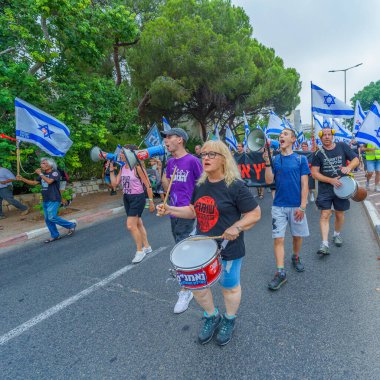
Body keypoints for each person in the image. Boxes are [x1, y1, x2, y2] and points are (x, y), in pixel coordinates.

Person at [157, 140, 261, 345]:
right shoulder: (201, 185)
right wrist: (171, 209)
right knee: (198, 286)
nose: (206, 158)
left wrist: (237, 227)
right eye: (203, 154)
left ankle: (229, 319)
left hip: (229, 248)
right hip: (202, 246)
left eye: (212, 154)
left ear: (224, 159)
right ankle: (211, 316)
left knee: (228, 287)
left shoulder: (236, 186)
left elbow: (255, 213)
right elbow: (194, 210)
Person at [156, 127, 203, 314]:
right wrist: (161, 169)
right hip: (174, 212)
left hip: (189, 213)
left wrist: (201, 210)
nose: (166, 140)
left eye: (169, 137)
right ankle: (192, 279)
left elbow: (203, 185)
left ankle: (186, 290)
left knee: (182, 250)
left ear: (180, 140)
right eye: (165, 138)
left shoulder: (193, 161)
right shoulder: (170, 162)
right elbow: (168, 187)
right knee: (181, 246)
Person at [263, 128, 310, 290]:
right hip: (279, 207)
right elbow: (269, 180)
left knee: (297, 236)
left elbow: (305, 185)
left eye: (285, 134)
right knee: (279, 238)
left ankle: (295, 257)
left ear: (293, 139)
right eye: (280, 135)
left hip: (297, 206)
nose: (281, 136)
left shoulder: (300, 159)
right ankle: (280, 272)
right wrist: (267, 163)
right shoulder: (275, 159)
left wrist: (303, 207)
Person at [311, 127, 360, 255]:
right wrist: (330, 180)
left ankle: (337, 234)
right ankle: (324, 244)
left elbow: (356, 159)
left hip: (342, 188)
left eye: (329, 134)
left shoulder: (342, 146)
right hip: (325, 189)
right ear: (321, 138)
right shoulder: (318, 153)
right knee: (325, 214)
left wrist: (348, 167)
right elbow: (314, 173)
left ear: (332, 136)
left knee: (339, 214)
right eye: (324, 135)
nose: (327, 137)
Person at [109, 149, 155, 264]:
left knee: (130, 225)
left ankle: (140, 251)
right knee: (138, 223)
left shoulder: (137, 168)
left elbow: (148, 185)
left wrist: (151, 201)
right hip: (127, 198)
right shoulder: (123, 167)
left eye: (122, 153)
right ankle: (147, 246)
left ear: (129, 155)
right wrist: (110, 170)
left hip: (137, 198)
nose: (120, 155)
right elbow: (114, 184)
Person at [16, 157, 76, 243]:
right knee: (48, 219)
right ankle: (55, 235)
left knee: (52, 217)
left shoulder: (55, 173)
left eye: (44, 163)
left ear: (50, 165)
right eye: (41, 163)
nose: (41, 165)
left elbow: (49, 181)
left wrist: (40, 174)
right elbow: (34, 183)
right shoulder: (43, 174)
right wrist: (22, 179)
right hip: (46, 199)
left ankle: (71, 225)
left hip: (54, 198)